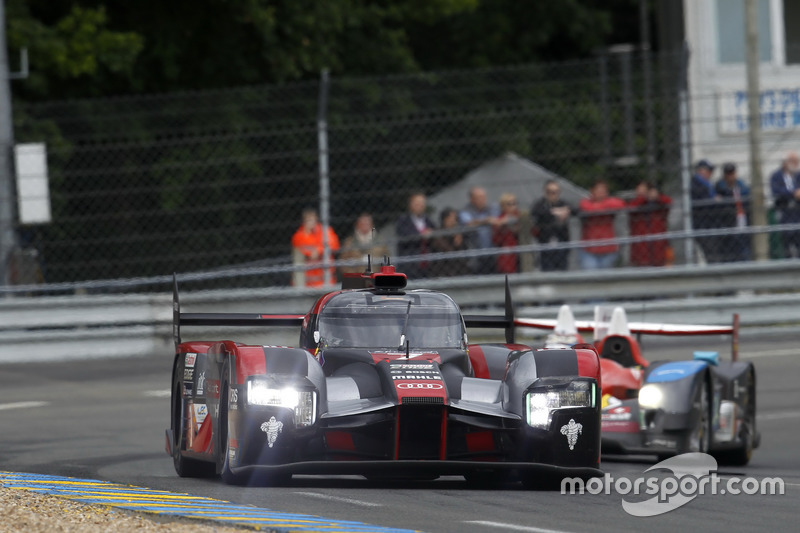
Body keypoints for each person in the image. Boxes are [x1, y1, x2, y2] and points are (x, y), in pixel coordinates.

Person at [578, 179, 626, 270]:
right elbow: (587, 207)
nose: (601, 193)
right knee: (590, 276)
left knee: (606, 279)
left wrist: (598, 206)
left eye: (603, 191)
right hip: (590, 250)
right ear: (592, 191)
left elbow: (620, 204)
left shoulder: (611, 201)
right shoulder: (585, 202)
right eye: (598, 190)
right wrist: (605, 208)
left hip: (608, 249)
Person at [531, 179, 574, 271]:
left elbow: (575, 210)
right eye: (551, 192)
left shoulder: (562, 203)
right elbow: (534, 212)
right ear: (546, 193)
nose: (554, 195)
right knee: (547, 270)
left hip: (562, 242)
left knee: (563, 270)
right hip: (545, 244)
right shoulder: (540, 204)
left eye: (556, 192)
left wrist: (566, 211)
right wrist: (553, 212)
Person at [290, 208, 340, 287]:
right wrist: (322, 247)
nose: (311, 222)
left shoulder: (326, 230)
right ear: (303, 221)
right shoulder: (299, 236)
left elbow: (334, 245)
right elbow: (309, 253)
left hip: (326, 279)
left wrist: (319, 250)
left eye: (312, 219)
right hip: (307, 283)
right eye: (308, 220)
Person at [627, 181, 673, 267]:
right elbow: (631, 208)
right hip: (640, 247)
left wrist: (657, 197)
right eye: (640, 190)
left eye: (645, 190)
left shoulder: (659, 203)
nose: (642, 192)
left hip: (658, 246)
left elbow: (669, 202)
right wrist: (644, 198)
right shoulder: (635, 203)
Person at [459, 186, 500, 274]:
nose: (483, 200)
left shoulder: (492, 208)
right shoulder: (465, 210)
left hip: (493, 252)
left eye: (484, 197)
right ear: (472, 199)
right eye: (479, 198)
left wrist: (483, 221)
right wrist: (486, 221)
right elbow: (469, 223)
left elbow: (497, 220)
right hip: (476, 253)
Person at [715, 163, 751, 262]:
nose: (730, 176)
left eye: (732, 173)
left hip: (741, 217)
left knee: (743, 245)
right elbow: (722, 195)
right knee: (729, 247)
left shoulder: (740, 184)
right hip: (728, 220)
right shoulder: (720, 185)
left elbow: (746, 193)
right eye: (728, 174)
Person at [395, 192, 436, 279]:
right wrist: (421, 235)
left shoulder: (428, 221)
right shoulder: (403, 221)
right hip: (410, 263)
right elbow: (404, 236)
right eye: (417, 203)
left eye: (422, 203)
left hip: (427, 264)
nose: (420, 206)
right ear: (411, 205)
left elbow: (435, 234)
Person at [769, 151, 800, 258]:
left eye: (797, 161)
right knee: (786, 241)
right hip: (784, 212)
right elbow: (776, 191)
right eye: (793, 161)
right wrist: (793, 194)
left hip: (797, 212)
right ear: (785, 163)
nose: (796, 163)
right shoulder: (776, 176)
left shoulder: (798, 175)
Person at [690, 159, 721, 263]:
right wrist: (713, 200)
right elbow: (702, 201)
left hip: (710, 223)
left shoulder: (707, 184)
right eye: (708, 171)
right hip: (702, 224)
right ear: (700, 171)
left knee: (714, 252)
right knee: (711, 253)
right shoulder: (696, 184)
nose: (710, 174)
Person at [429, 207, 468, 277]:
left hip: (459, 266)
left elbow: (465, 251)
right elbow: (448, 251)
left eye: (455, 219)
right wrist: (455, 243)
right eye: (451, 218)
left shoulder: (457, 232)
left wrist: (459, 243)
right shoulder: (438, 233)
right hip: (442, 267)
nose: (454, 221)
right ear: (445, 219)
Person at [492, 193, 520, 274]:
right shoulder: (499, 220)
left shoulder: (521, 216)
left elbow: (533, 231)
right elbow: (496, 240)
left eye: (514, 203)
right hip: (508, 254)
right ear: (503, 206)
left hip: (522, 251)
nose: (513, 206)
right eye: (509, 204)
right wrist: (502, 227)